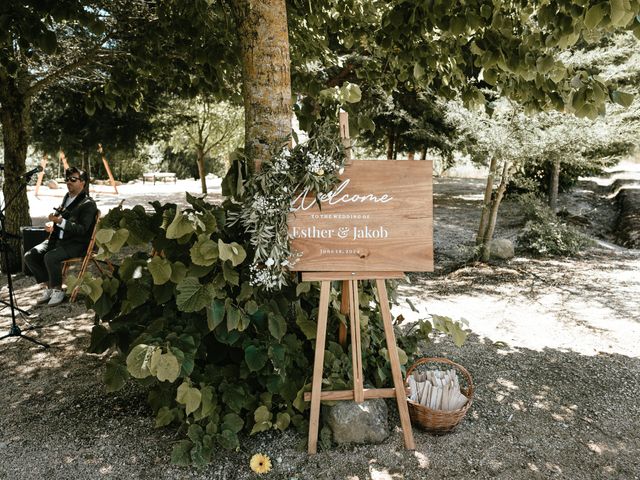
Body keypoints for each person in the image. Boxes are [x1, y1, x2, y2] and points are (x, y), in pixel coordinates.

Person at [24, 166, 97, 306]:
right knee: (30, 256)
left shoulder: (88, 204)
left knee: (50, 256)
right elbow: (61, 216)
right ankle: (49, 288)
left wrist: (61, 222)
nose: (69, 182)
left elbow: (82, 230)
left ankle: (58, 290)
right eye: (67, 179)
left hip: (77, 243)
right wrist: (52, 223)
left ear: (83, 182)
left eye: (73, 179)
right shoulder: (67, 197)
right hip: (59, 238)